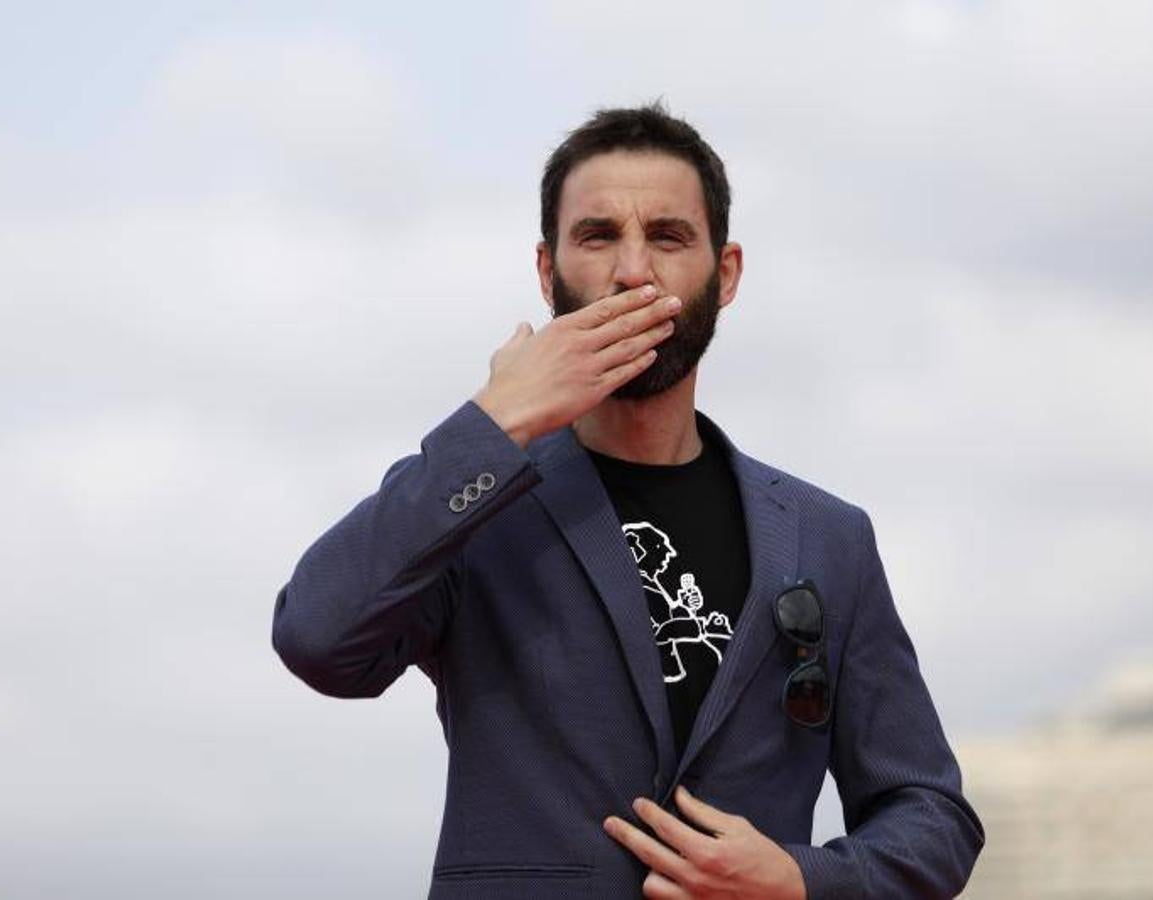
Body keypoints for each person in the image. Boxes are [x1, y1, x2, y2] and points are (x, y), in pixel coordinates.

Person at [271, 102, 984, 899]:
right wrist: (496, 423)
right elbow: (316, 638)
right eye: (598, 235)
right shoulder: (476, 503)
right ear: (547, 272)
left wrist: (800, 879)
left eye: (670, 237)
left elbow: (929, 813)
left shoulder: (828, 538)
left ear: (727, 271)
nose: (633, 272)